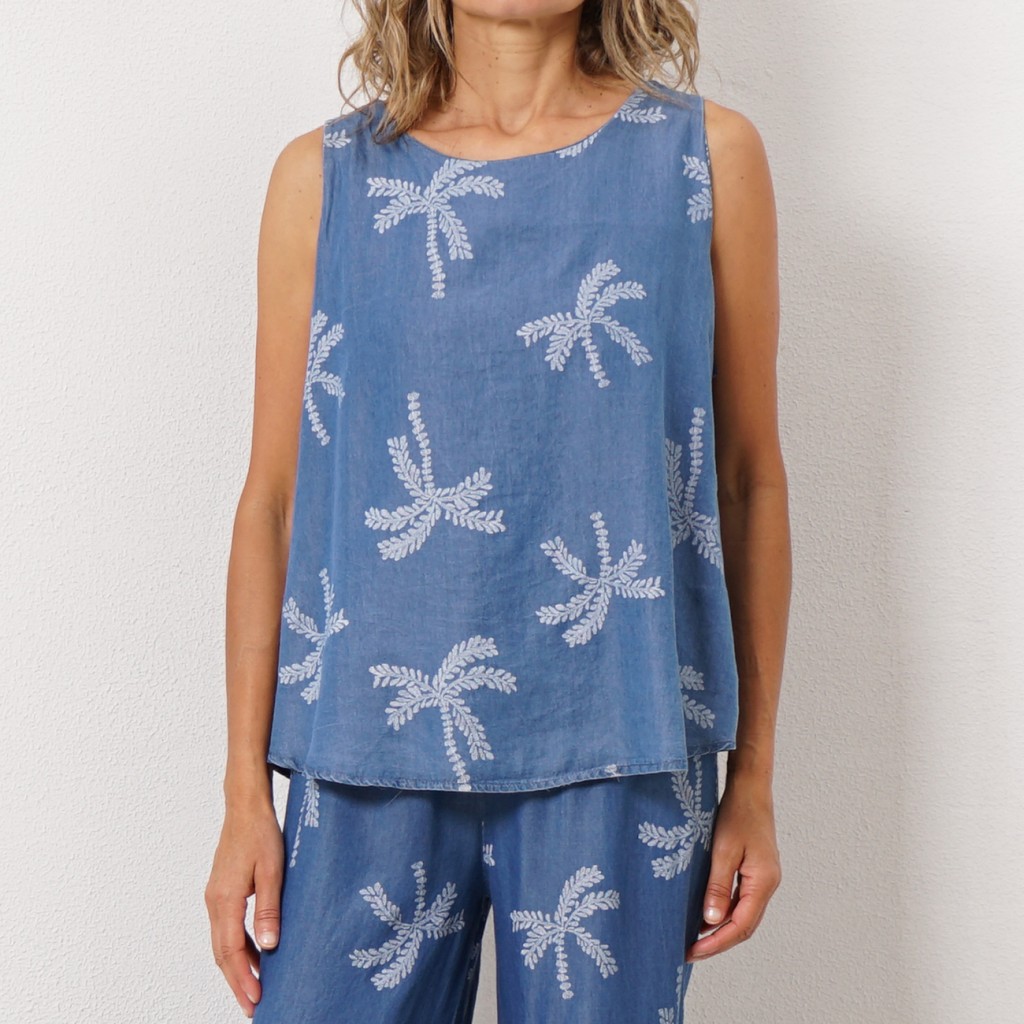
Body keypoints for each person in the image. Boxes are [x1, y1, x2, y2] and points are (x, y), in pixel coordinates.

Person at [204, 0, 789, 1020]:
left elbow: (745, 482)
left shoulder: (704, 160)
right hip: (364, 747)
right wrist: (244, 794)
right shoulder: (327, 179)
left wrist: (755, 779)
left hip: (622, 745)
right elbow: (274, 503)